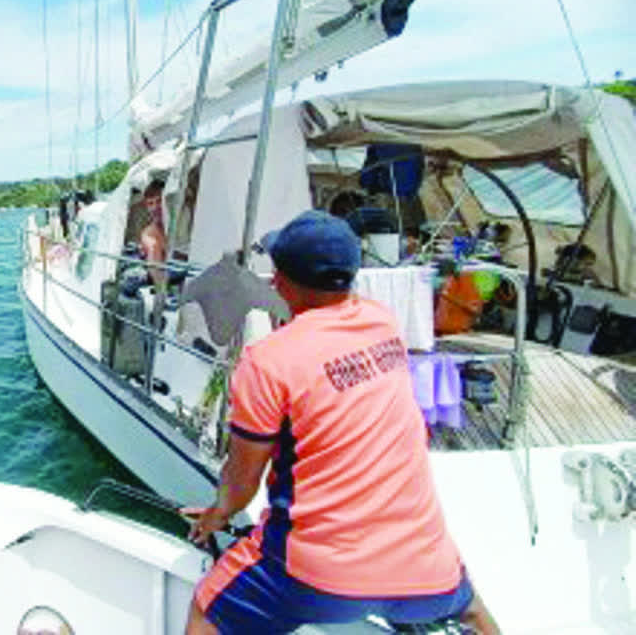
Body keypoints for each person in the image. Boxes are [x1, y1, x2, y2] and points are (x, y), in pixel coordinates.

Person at [182, 209, 498, 635]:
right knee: (473, 608)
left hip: (317, 577)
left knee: (206, 611)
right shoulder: (384, 323)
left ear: (279, 282)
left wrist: (217, 515)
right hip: (427, 568)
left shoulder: (268, 361)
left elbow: (241, 485)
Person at [139, 178, 168, 287]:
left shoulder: (183, 224)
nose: (155, 207)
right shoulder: (150, 234)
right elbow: (156, 271)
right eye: (151, 203)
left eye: (159, 201)